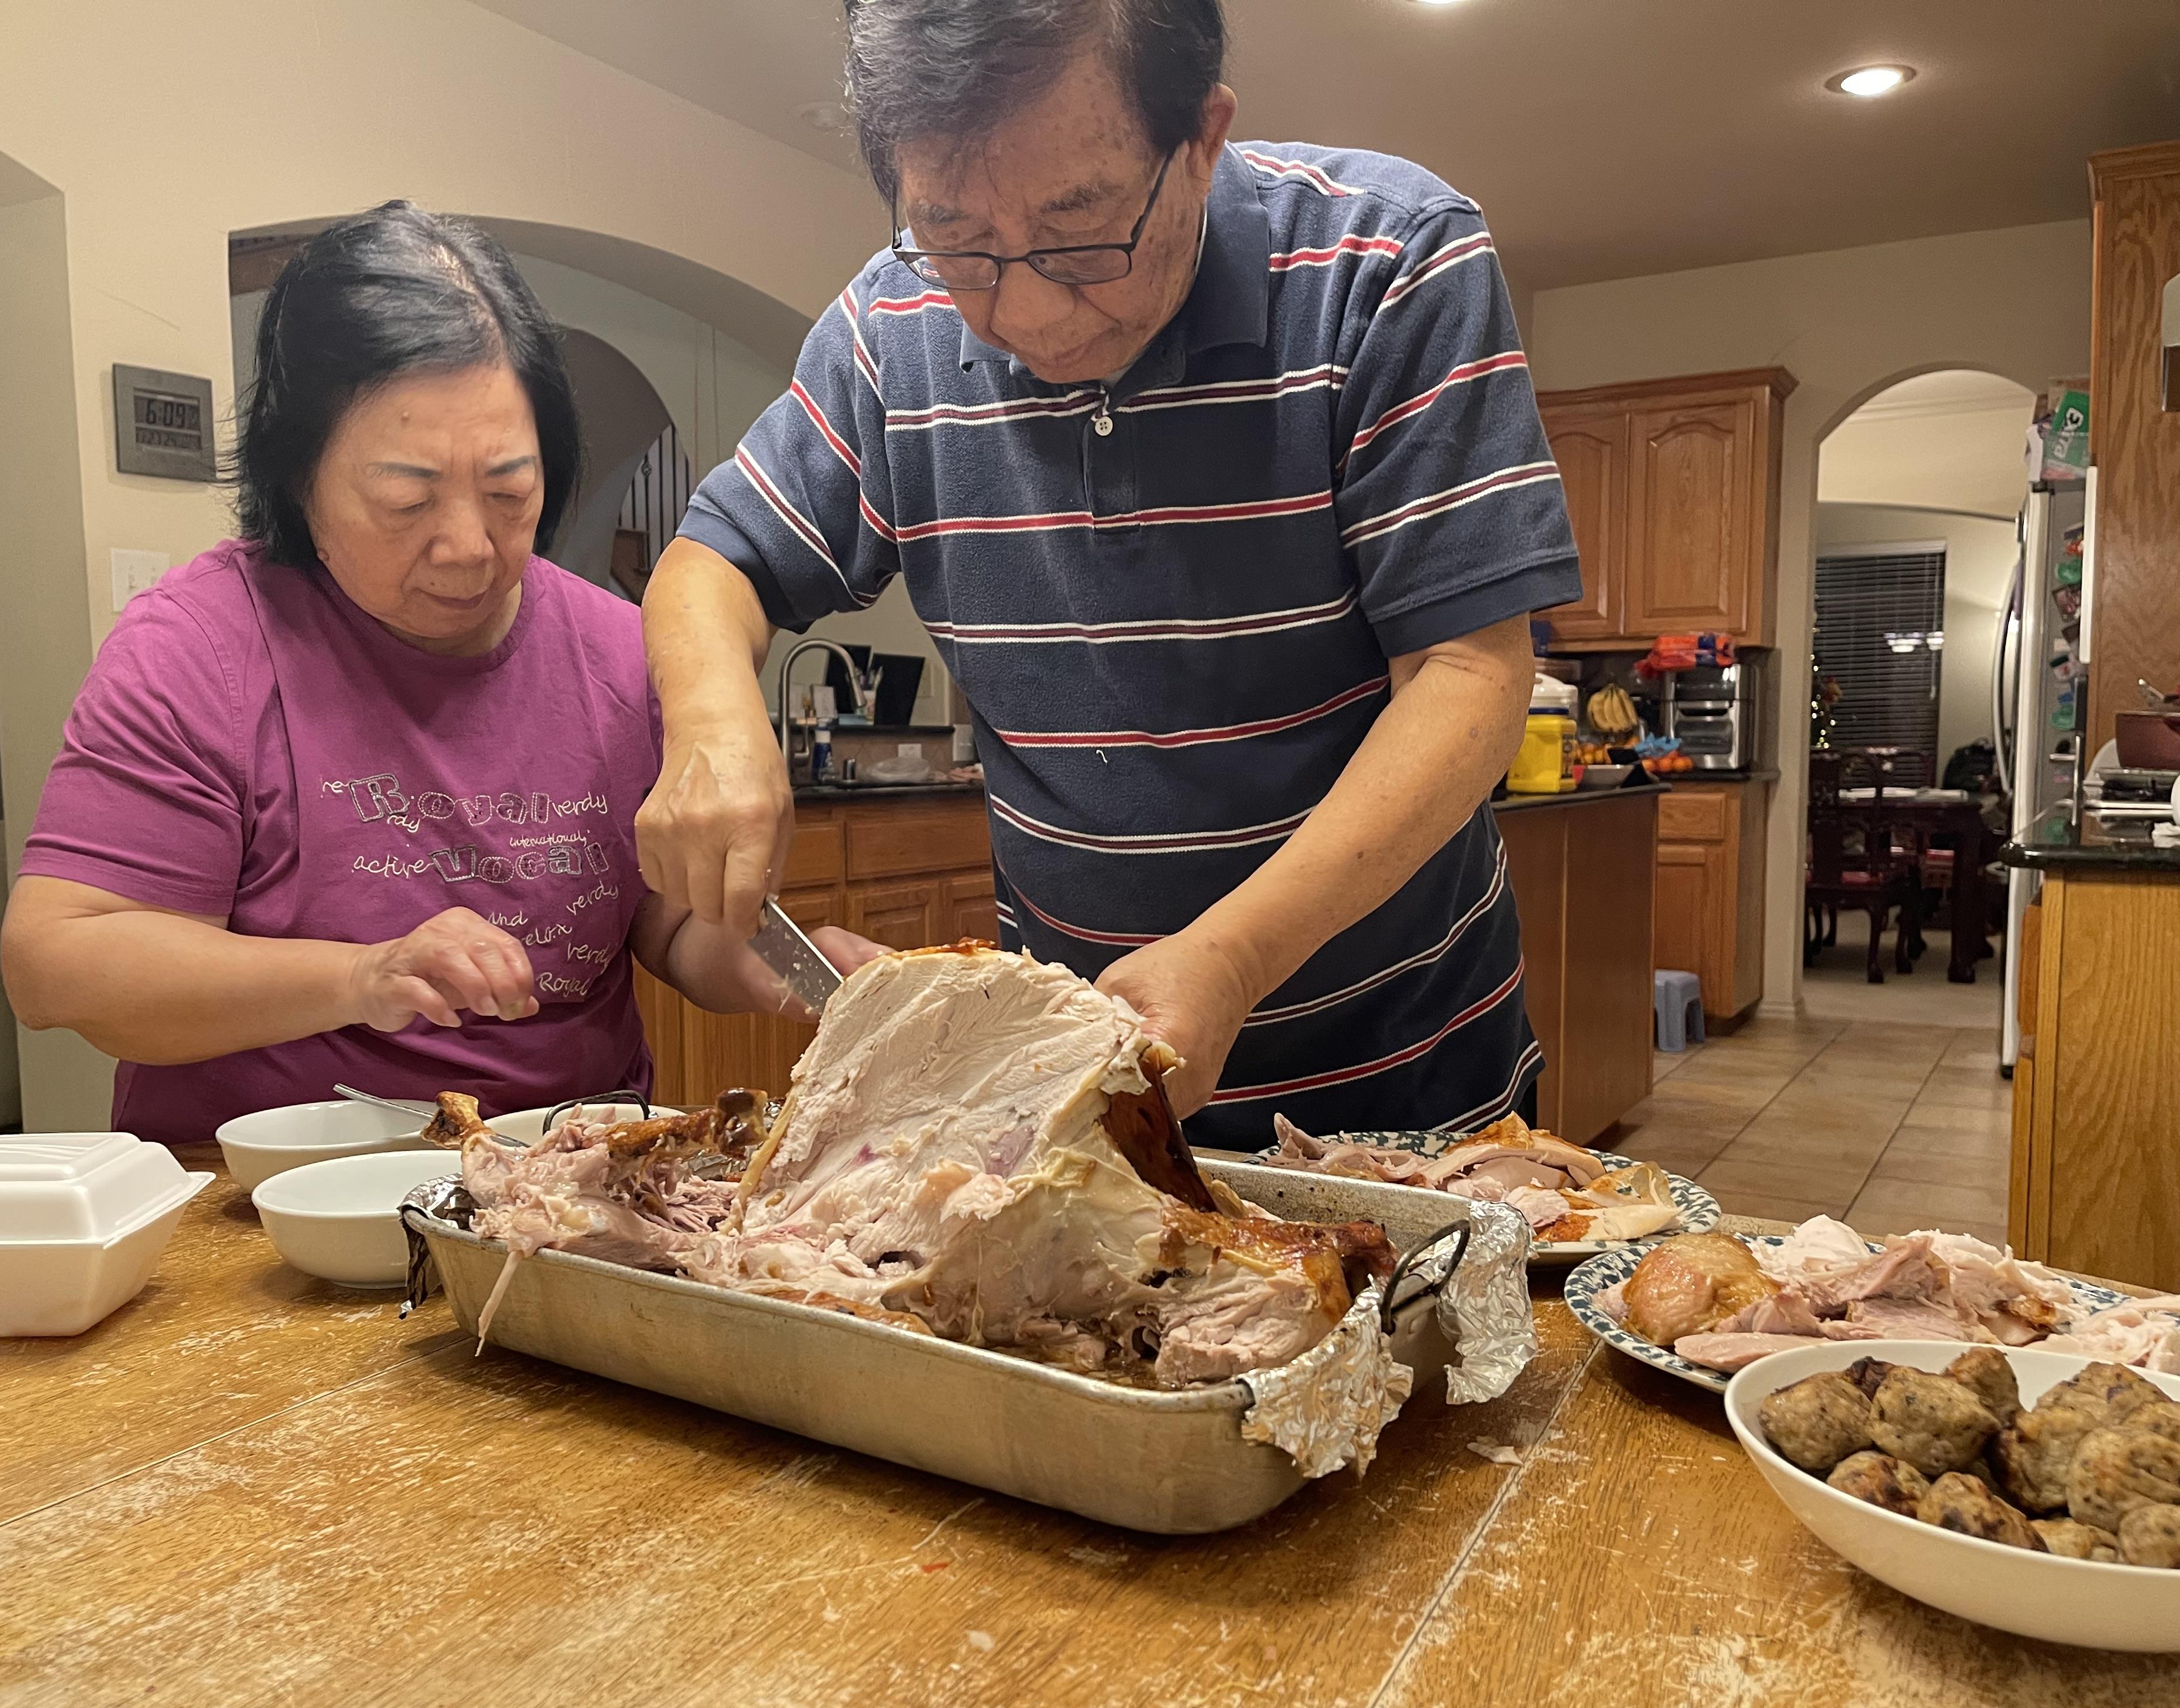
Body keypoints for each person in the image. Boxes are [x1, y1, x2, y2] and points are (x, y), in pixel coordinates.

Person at [638, 0, 1580, 1149]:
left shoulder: (1389, 262)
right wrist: (713, 726)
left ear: (1202, 137)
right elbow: (711, 561)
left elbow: (1470, 678)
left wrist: (1233, 957)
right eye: (959, 240)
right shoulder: (894, 331)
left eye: (1083, 236)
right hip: (1085, 1092)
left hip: (1409, 1093)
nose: (1024, 310)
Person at [2, 203, 872, 1145]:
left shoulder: (620, 653)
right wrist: (360, 978)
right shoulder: (200, 648)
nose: (468, 548)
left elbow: (663, 926)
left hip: (567, 1190)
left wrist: (770, 967)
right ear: (298, 479)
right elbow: (58, 962)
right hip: (268, 1215)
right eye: (406, 499)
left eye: (510, 492)